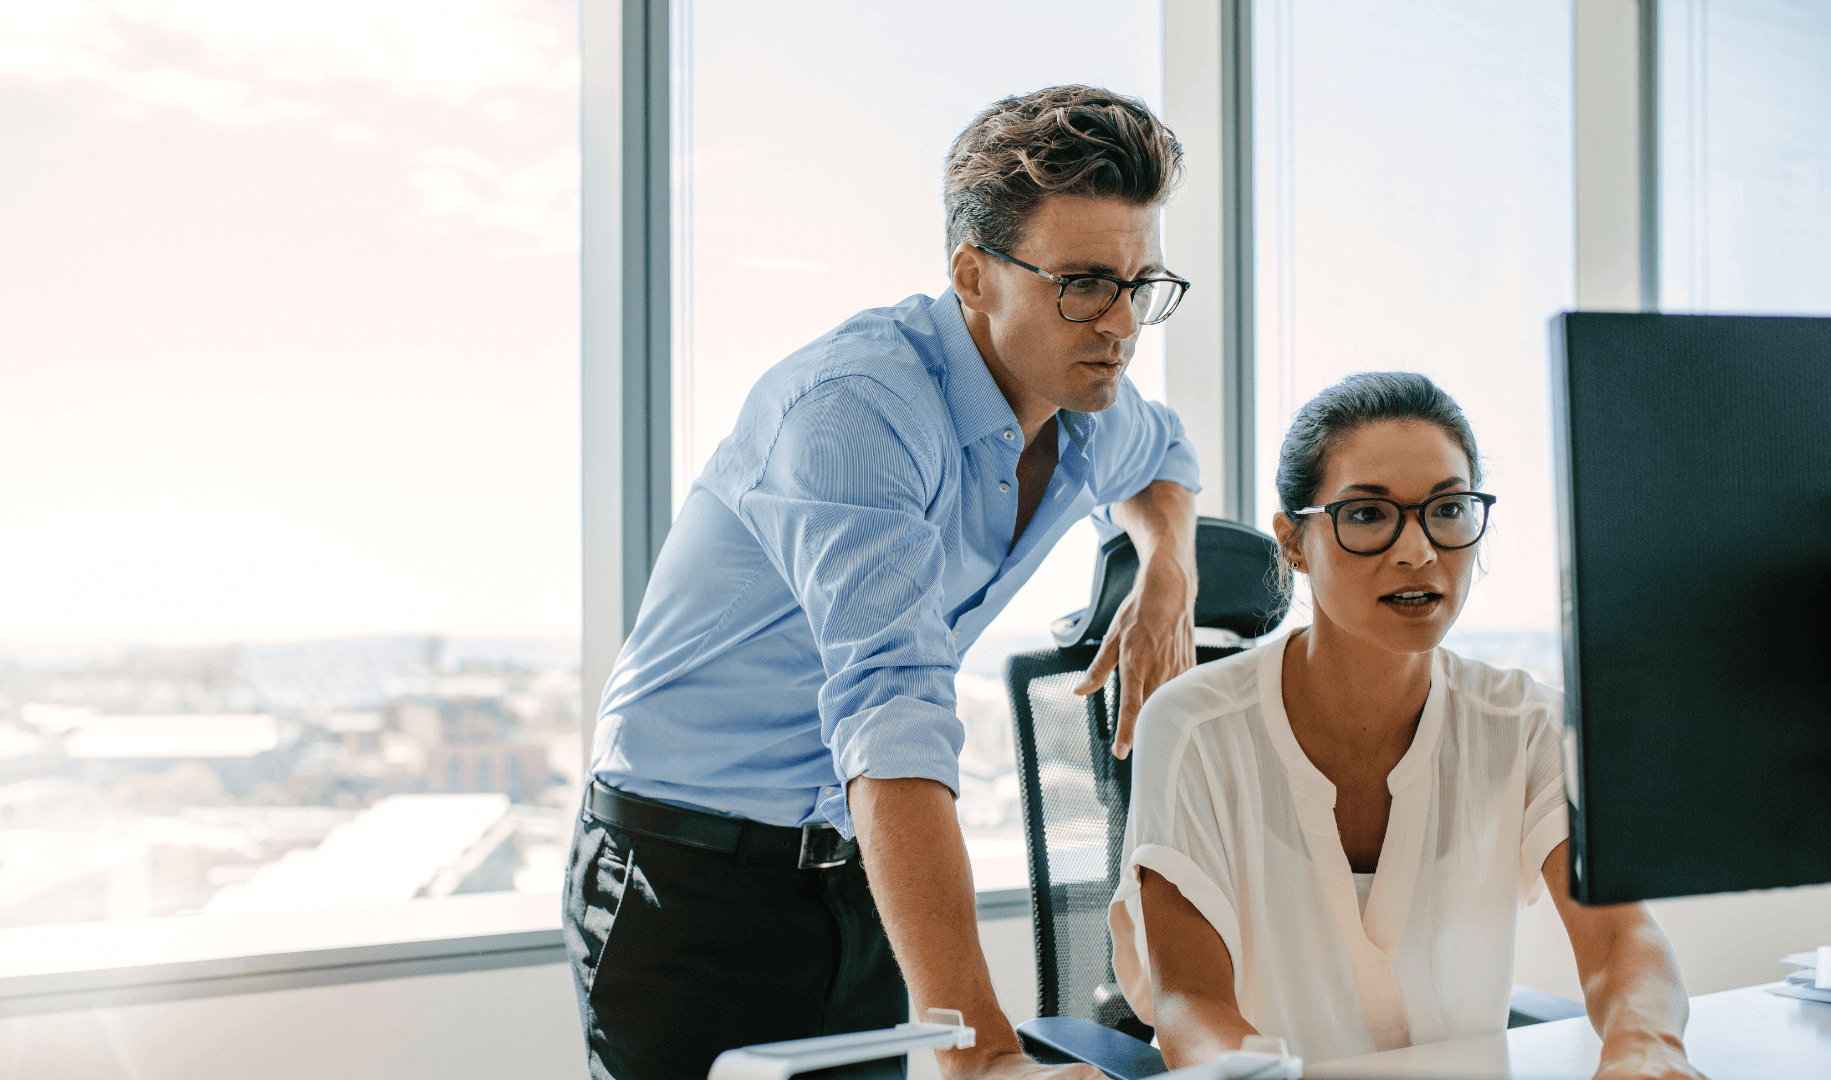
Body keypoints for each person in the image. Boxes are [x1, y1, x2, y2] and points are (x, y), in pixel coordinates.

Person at [567, 85, 1205, 1079]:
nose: (1122, 324)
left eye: (1140, 284)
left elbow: (1167, 460)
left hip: (859, 874)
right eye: (1082, 284)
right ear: (973, 276)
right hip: (688, 879)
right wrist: (984, 1054)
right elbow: (893, 707)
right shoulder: (856, 411)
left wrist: (1169, 570)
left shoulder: (1089, 400)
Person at [1110, 372, 1704, 1078]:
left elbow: (1620, 941)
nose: (1419, 550)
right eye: (1367, 515)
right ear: (1295, 542)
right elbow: (1190, 1006)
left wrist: (1645, 1049)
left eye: (1448, 509)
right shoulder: (1195, 727)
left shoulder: (1525, 723)